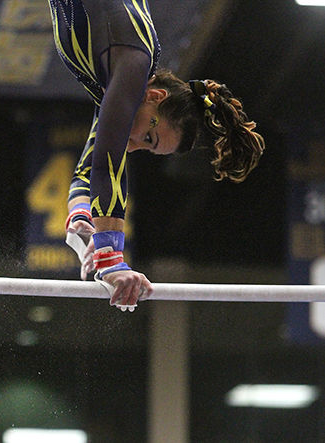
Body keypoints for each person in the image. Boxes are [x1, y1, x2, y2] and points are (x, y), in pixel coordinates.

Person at [50, 0, 265, 311]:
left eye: (146, 147)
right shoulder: (133, 64)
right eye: (149, 136)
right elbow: (107, 167)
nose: (134, 145)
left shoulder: (116, 80)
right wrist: (112, 261)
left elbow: (88, 170)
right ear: (154, 96)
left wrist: (83, 220)